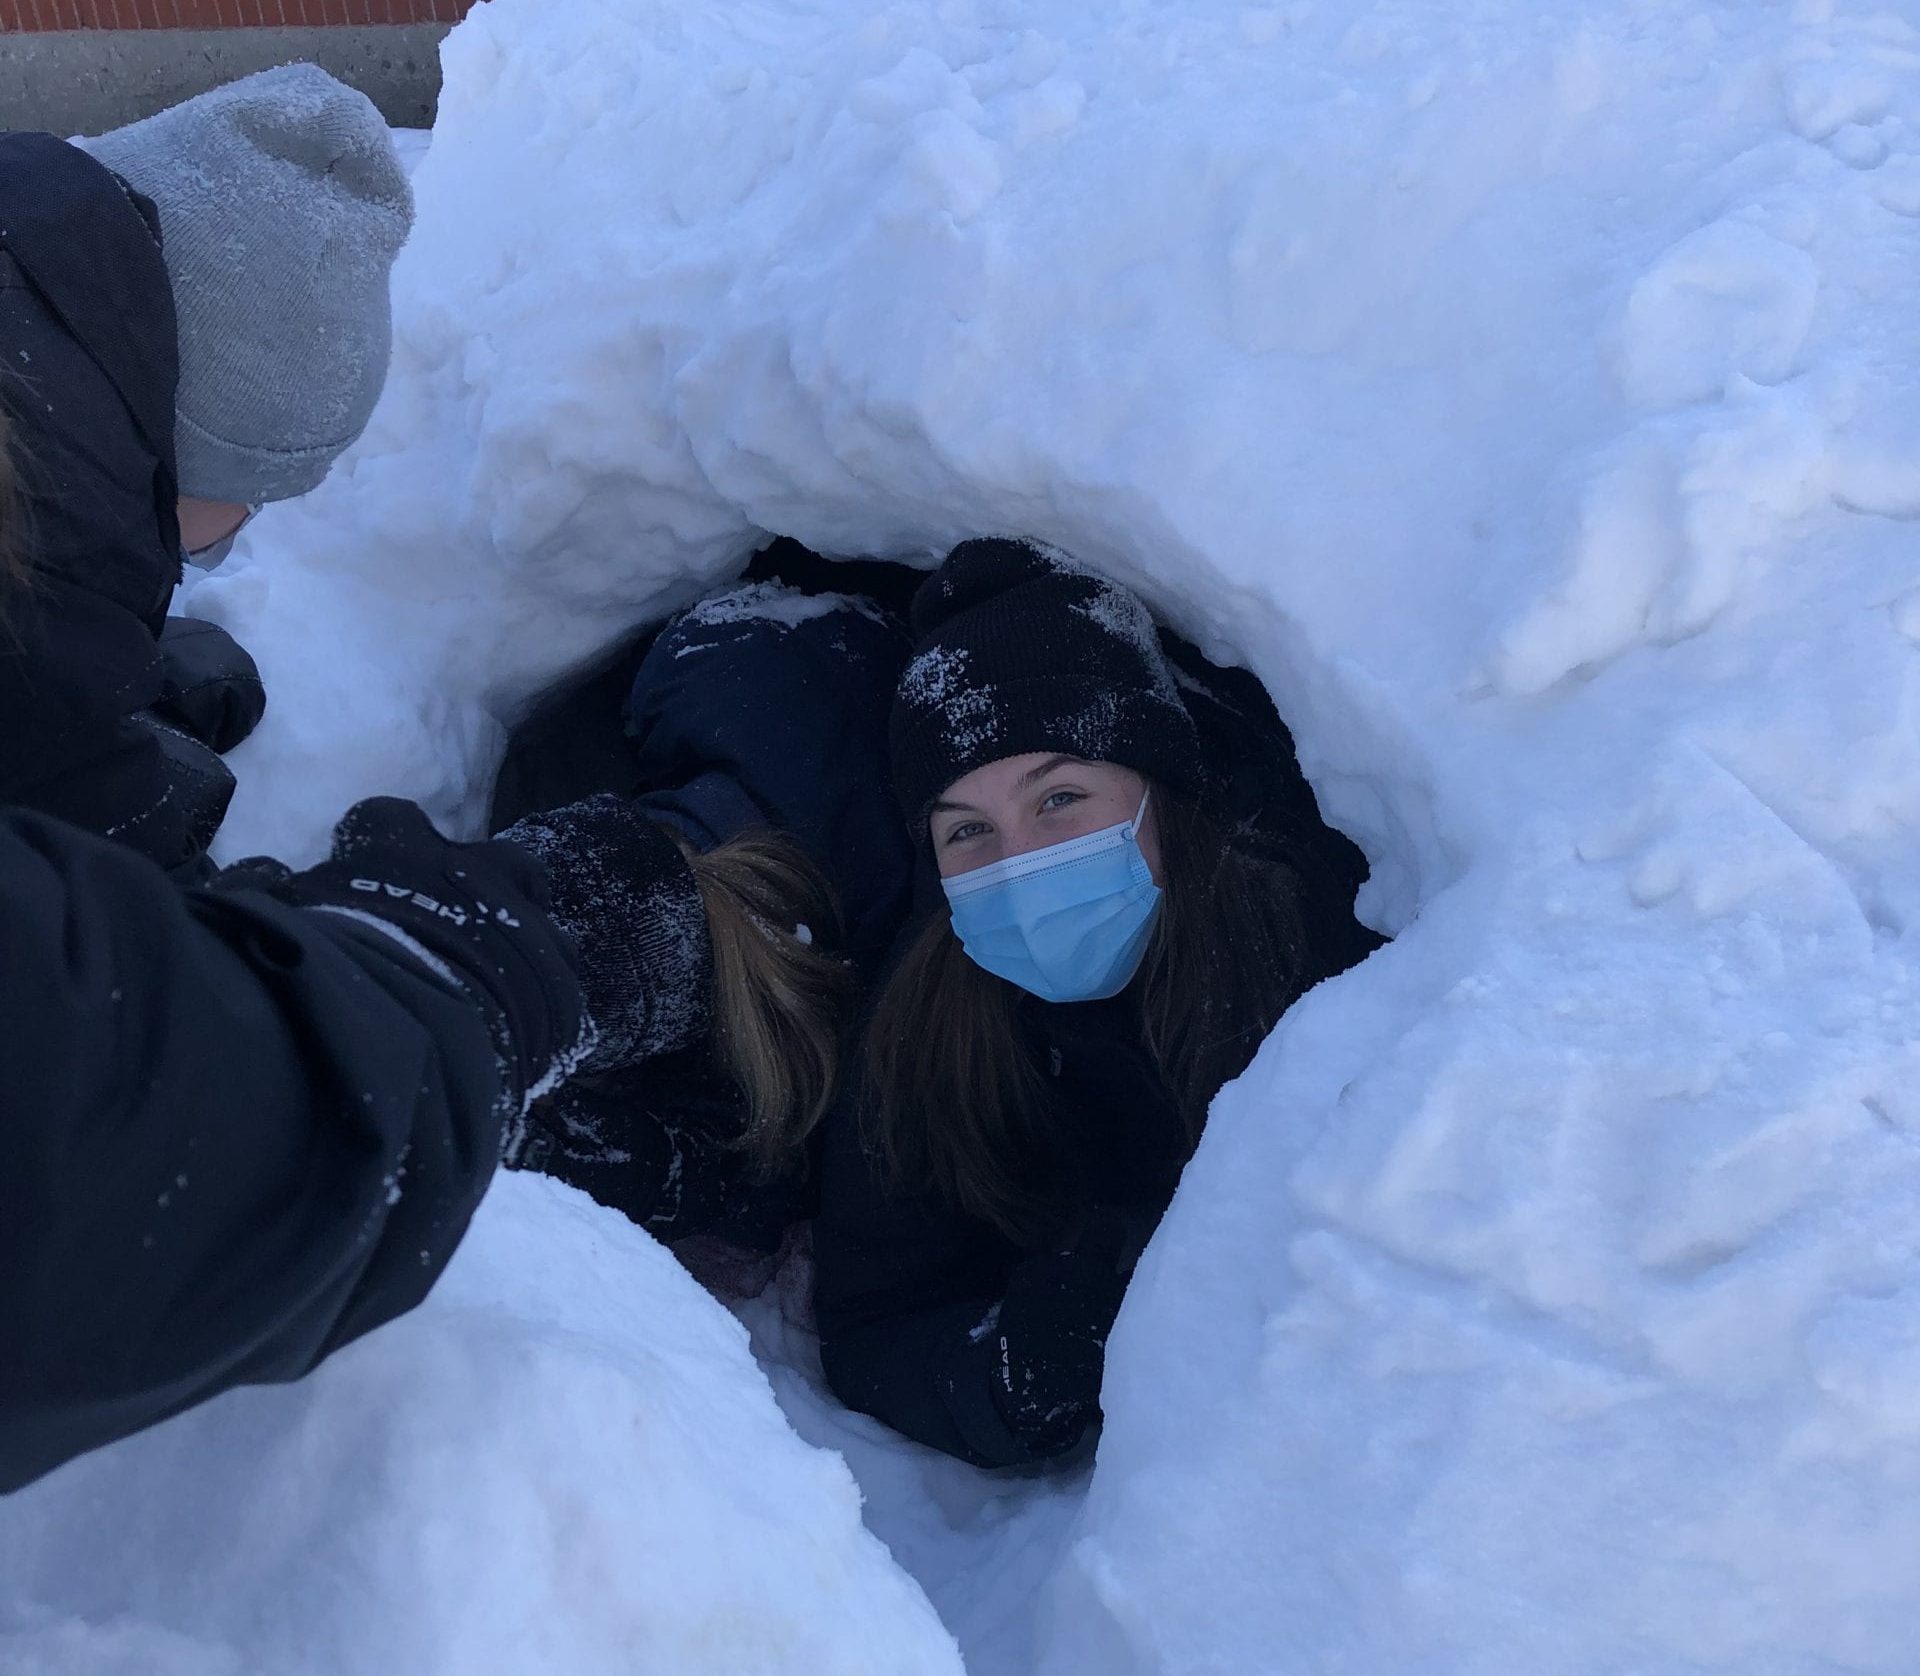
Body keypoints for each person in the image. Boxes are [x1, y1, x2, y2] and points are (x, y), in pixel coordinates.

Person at [812, 538, 1382, 1469]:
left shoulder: (1311, 942)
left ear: (1159, 791)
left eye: (1060, 797)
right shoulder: (923, 1025)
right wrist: (1004, 1372)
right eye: (967, 831)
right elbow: (873, 1318)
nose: (1020, 860)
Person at [0, 64, 413, 878]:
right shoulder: (41, 567)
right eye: (253, 492)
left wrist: (107, 661)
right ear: (186, 442)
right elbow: (114, 970)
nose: (242, 526)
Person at [498, 567, 917, 1258]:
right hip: (767, 634)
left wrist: (626, 1169)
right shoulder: (686, 677)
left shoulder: (886, 961)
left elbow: (779, 1160)